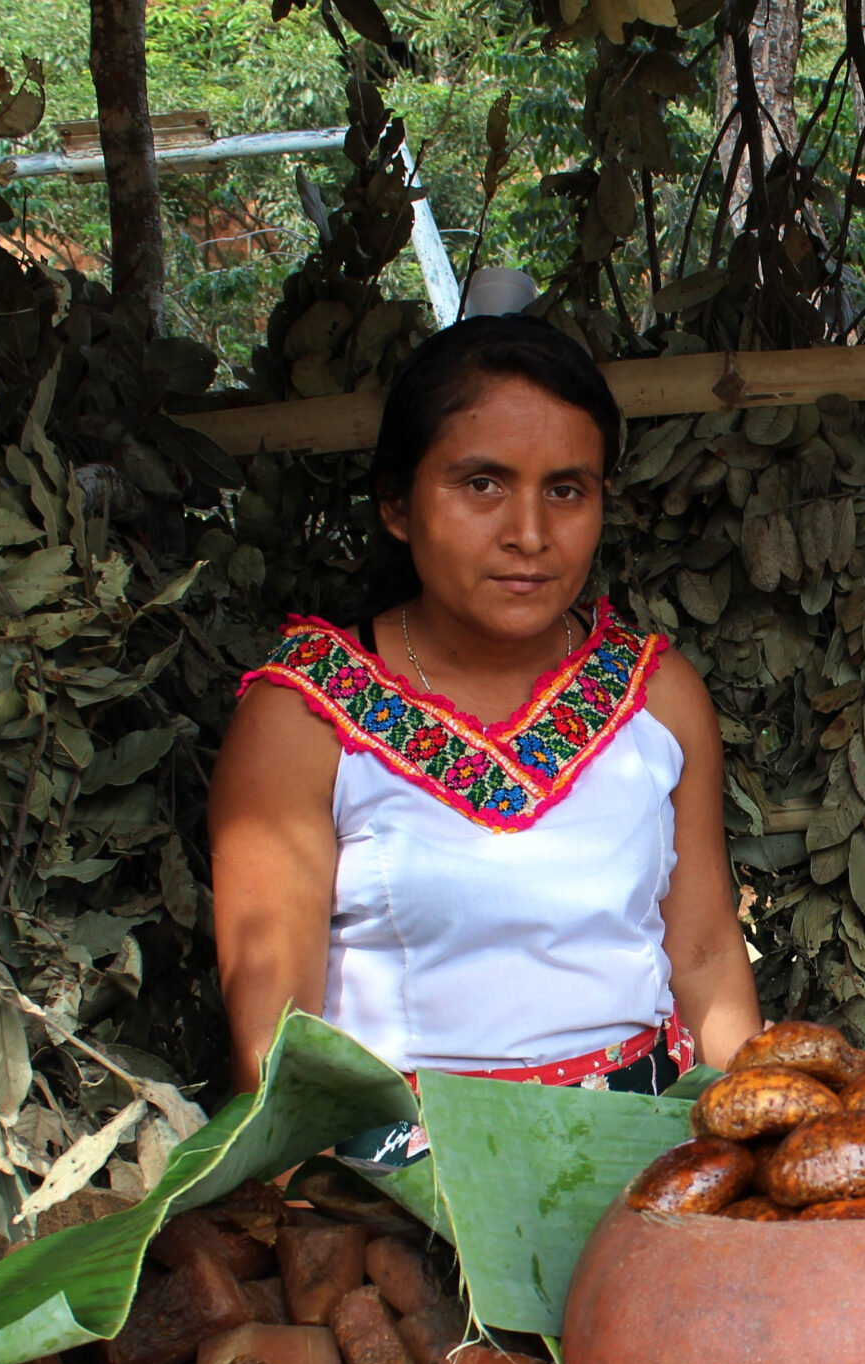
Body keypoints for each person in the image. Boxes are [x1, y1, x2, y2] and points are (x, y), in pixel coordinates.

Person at [208, 314, 761, 1128]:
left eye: (566, 490)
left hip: (641, 1154)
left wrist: (749, 1159)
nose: (529, 535)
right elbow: (276, 1047)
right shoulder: (303, 717)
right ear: (397, 504)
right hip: (399, 1174)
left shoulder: (657, 696)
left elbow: (707, 954)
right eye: (482, 485)